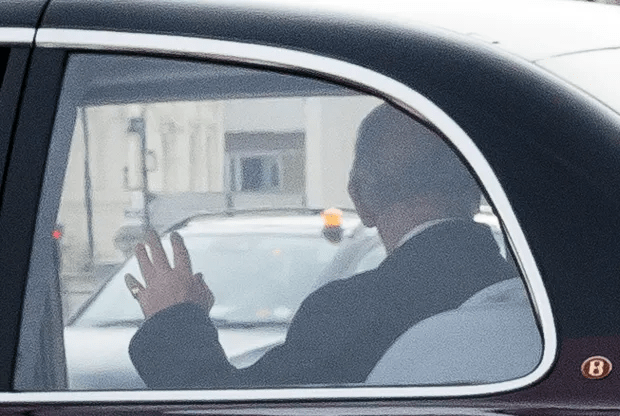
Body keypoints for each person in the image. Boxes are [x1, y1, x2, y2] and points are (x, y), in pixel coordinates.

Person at [126, 103, 517, 389]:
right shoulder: (530, 300)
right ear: (476, 190)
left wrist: (172, 319)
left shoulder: (352, 312)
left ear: (360, 197)